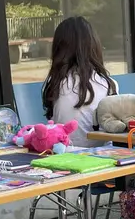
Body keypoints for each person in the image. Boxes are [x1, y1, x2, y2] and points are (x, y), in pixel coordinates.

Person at [42, 15, 112, 144]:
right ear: (94, 46)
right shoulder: (106, 84)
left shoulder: (55, 84)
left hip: (63, 155)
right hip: (103, 157)